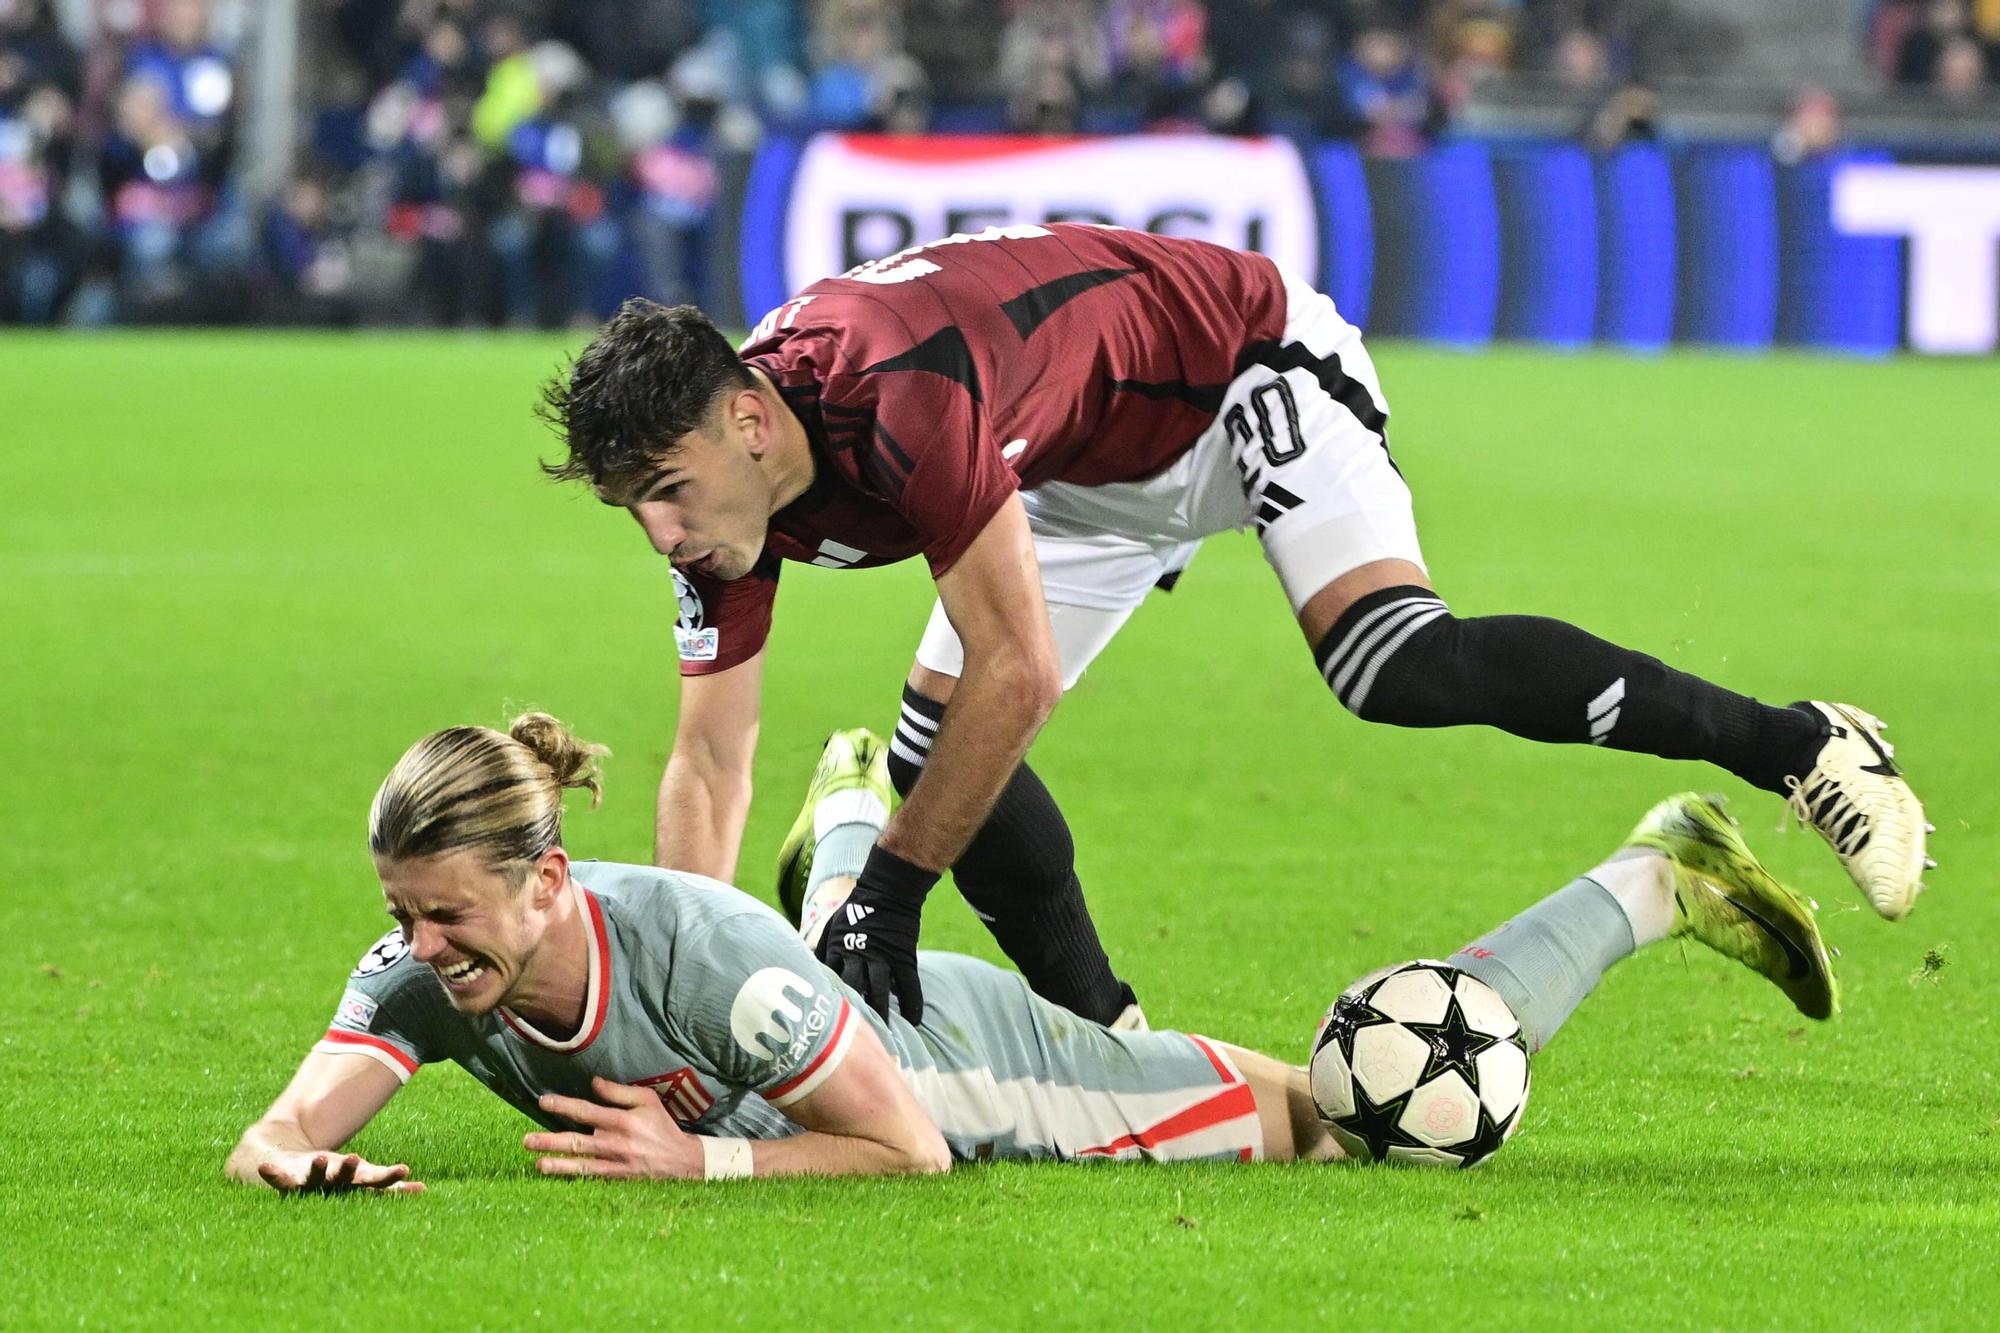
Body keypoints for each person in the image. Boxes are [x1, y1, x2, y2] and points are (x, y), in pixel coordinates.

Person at [532, 222, 1930, 1029]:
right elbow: (711, 759)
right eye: (631, 509)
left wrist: (894, 892)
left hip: (1231, 371)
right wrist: (680, 984)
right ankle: (1109, 1032)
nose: (663, 531)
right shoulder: (722, 503)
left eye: (664, 491)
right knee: (926, 749)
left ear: (747, 418)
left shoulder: (899, 397)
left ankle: (1801, 743)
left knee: (1386, 659)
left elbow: (1015, 671)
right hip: (1070, 465)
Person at [226, 715, 1835, 1191]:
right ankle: (854, 812)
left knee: (1358, 1114)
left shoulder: (701, 953)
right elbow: (273, 1135)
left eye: (447, 915)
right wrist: (310, 1169)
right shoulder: (428, 977)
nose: (424, 951)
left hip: (969, 1062)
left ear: (546, 877)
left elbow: (913, 1149)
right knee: (825, 975)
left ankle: (1649, 876)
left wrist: (694, 1168)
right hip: (827, 1006)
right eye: (402, 916)